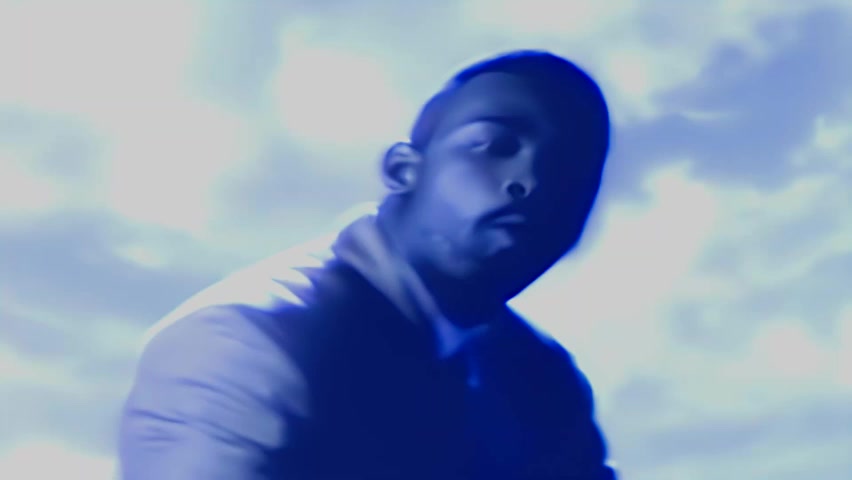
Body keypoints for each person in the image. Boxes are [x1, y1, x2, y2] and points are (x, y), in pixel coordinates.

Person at [118, 49, 616, 479]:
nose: (532, 181)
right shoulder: (245, 344)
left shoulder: (543, 382)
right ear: (403, 170)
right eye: (497, 146)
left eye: (569, 168)